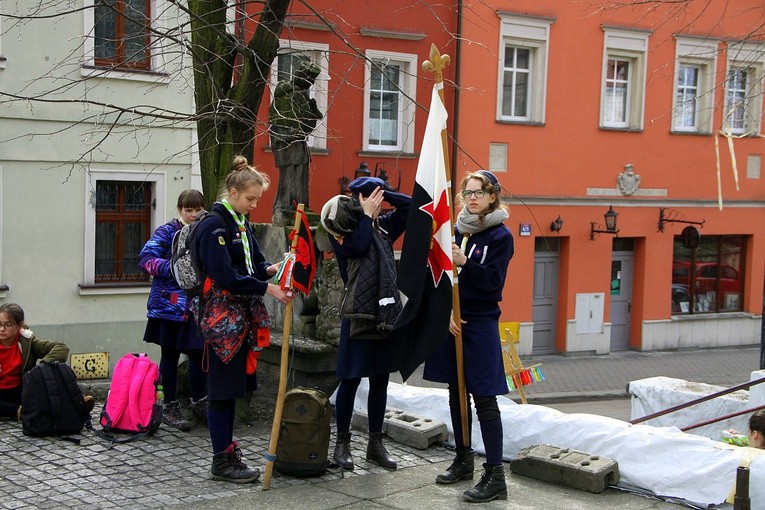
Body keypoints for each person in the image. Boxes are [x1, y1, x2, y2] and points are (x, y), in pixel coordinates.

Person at [195, 155, 293, 483]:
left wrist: (272, 269)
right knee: (221, 391)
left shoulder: (239, 222)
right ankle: (221, 460)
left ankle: (226, 453)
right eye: (250, 199)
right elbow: (225, 276)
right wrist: (268, 288)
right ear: (233, 192)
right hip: (221, 323)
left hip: (239, 319)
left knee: (231, 390)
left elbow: (251, 265)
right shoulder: (213, 225)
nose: (254, 205)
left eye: (258, 200)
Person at [423, 170, 514, 503]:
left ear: (493, 197)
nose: (472, 198)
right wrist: (445, 311)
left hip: (481, 324)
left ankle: (495, 475)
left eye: (479, 192)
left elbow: (493, 283)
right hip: (453, 321)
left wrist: (466, 264)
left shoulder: (500, 236)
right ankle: (463, 458)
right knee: (455, 392)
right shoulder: (455, 230)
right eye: (467, 192)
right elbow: (442, 278)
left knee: (484, 399)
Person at [320, 176, 411, 471]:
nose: (371, 200)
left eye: (375, 194)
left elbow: (413, 209)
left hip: (382, 313)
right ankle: (342, 444)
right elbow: (357, 248)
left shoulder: (383, 225)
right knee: (350, 380)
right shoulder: (341, 222)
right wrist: (367, 214)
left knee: (380, 381)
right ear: (355, 198)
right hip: (357, 315)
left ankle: (375, 444)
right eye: (366, 195)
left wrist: (387, 197)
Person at [138, 189, 208, 431]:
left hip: (196, 308)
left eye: (198, 209)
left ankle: (200, 402)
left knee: (198, 355)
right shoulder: (168, 231)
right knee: (170, 356)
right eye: (189, 209)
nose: (194, 214)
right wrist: (174, 268)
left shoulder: (205, 231)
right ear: (180, 210)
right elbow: (146, 259)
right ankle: (169, 406)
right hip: (168, 307)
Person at [0, 303, 92, 419]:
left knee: (51, 374)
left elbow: (62, 348)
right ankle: (19, 412)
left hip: (23, 390)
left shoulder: (27, 343)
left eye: (8, 325)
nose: (2, 329)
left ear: (20, 326)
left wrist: (41, 369)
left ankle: (77, 402)